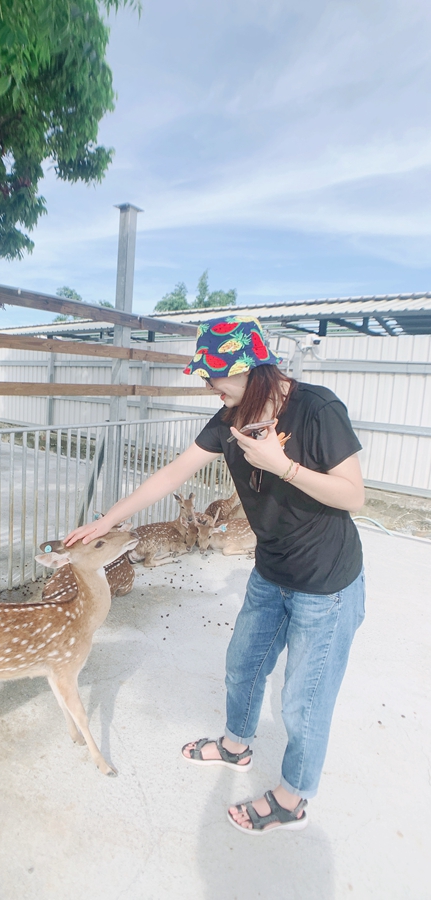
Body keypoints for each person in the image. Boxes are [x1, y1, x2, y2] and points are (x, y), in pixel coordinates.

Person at [65, 314, 366, 834]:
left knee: (303, 699)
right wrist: (106, 520)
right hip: (271, 571)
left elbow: (354, 496)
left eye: (216, 374)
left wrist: (281, 464)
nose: (208, 384)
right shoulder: (230, 417)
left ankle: (293, 799)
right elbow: (171, 475)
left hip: (326, 583)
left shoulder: (317, 408)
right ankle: (235, 746)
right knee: (243, 664)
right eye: (205, 375)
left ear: (252, 370)